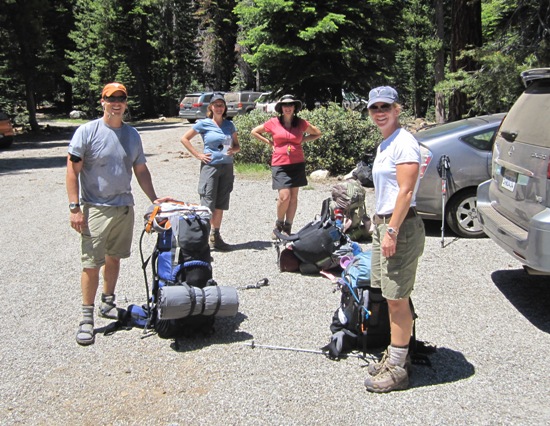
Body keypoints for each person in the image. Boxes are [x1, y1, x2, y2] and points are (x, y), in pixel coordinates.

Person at [66, 82, 173, 346]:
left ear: (126, 103)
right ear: (102, 101)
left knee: (114, 259)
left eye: (121, 98)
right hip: (95, 208)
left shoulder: (132, 134)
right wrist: (74, 207)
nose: (116, 103)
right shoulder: (87, 132)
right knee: (91, 264)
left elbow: (140, 169)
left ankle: (108, 303)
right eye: (111, 98)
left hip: (125, 207)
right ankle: (86, 318)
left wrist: (154, 198)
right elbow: (72, 170)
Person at [363, 86, 425, 393]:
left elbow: (406, 191)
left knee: (397, 298)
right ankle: (398, 352)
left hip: (398, 227)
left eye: (385, 106)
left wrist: (391, 231)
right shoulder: (386, 142)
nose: (379, 112)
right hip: (384, 225)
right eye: (374, 107)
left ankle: (399, 368)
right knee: (389, 293)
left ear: (397, 109)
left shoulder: (404, 143)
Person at [250, 94, 322, 237]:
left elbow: (317, 133)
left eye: (290, 105)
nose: (288, 108)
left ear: (294, 107)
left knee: (294, 196)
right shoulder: (273, 122)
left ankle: (288, 226)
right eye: (285, 105)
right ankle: (279, 223)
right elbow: (254, 131)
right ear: (281, 108)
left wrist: (302, 140)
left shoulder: (301, 123)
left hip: (297, 163)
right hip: (280, 164)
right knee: (284, 196)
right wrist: (270, 143)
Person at [180, 93, 240, 251]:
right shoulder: (204, 124)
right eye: (216, 105)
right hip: (210, 167)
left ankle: (216, 236)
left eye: (222, 105)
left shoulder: (229, 125)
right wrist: (198, 154)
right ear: (211, 107)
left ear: (224, 107)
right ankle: (202, 240)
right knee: (207, 203)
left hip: (226, 167)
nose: (219, 108)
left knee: (221, 202)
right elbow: (185, 139)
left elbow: (237, 145)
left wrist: (233, 150)